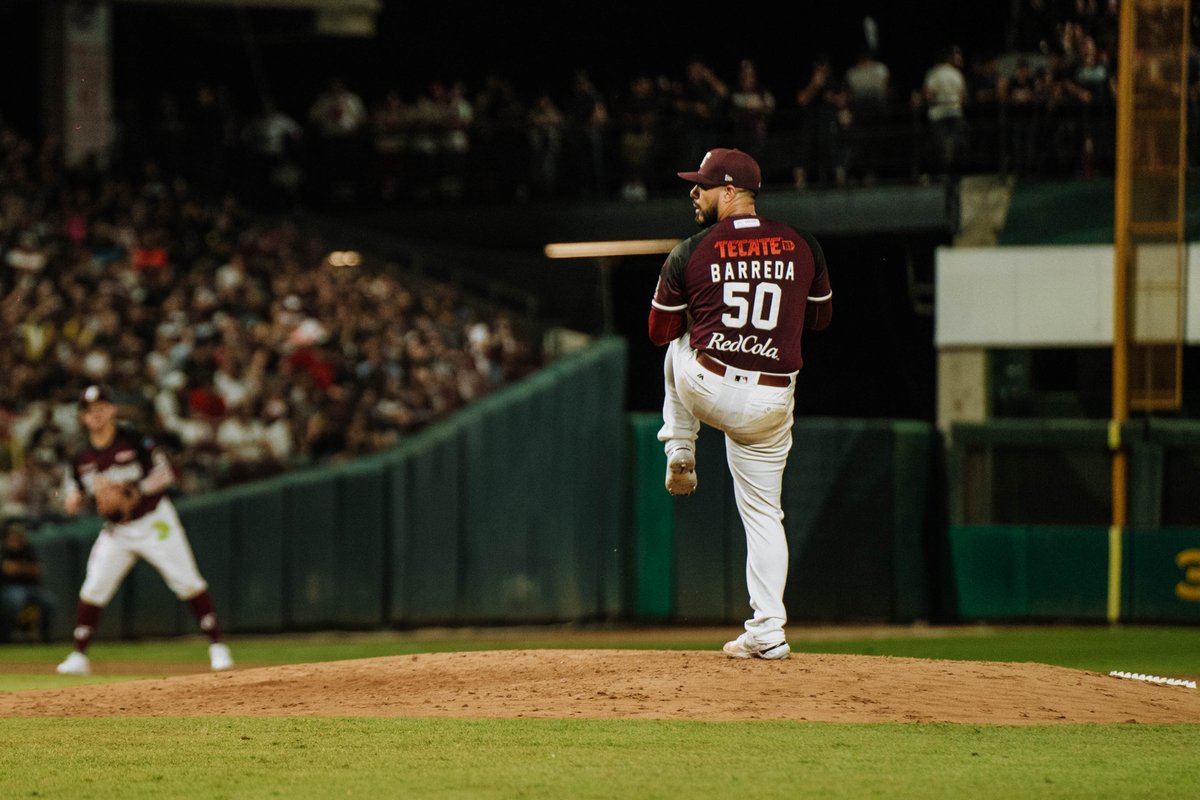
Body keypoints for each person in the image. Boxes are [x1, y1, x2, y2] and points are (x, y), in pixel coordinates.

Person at [648, 148, 832, 660]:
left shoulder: (691, 250)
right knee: (764, 513)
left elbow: (658, 329)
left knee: (676, 339)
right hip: (773, 399)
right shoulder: (803, 244)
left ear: (729, 191)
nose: (694, 191)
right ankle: (769, 629)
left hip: (708, 387)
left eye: (702, 184)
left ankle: (679, 447)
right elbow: (819, 319)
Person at [54, 385, 233, 675]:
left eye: (101, 408)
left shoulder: (134, 440)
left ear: (112, 410)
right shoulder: (81, 456)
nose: (96, 415)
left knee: (187, 581)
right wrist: (72, 499)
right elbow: (70, 491)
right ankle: (78, 655)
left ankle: (218, 646)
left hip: (154, 521)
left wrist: (133, 490)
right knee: (94, 586)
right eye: (89, 411)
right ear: (83, 418)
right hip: (118, 530)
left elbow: (164, 473)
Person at [1, 518, 56, 642]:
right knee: (16, 600)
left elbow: (38, 569)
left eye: (18, 537)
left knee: (49, 601)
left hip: (31, 589)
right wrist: (26, 569)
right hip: (9, 589)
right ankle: (7, 637)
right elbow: (7, 569)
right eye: (12, 538)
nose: (15, 541)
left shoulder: (28, 550)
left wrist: (18, 568)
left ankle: (45, 639)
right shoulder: (4, 551)